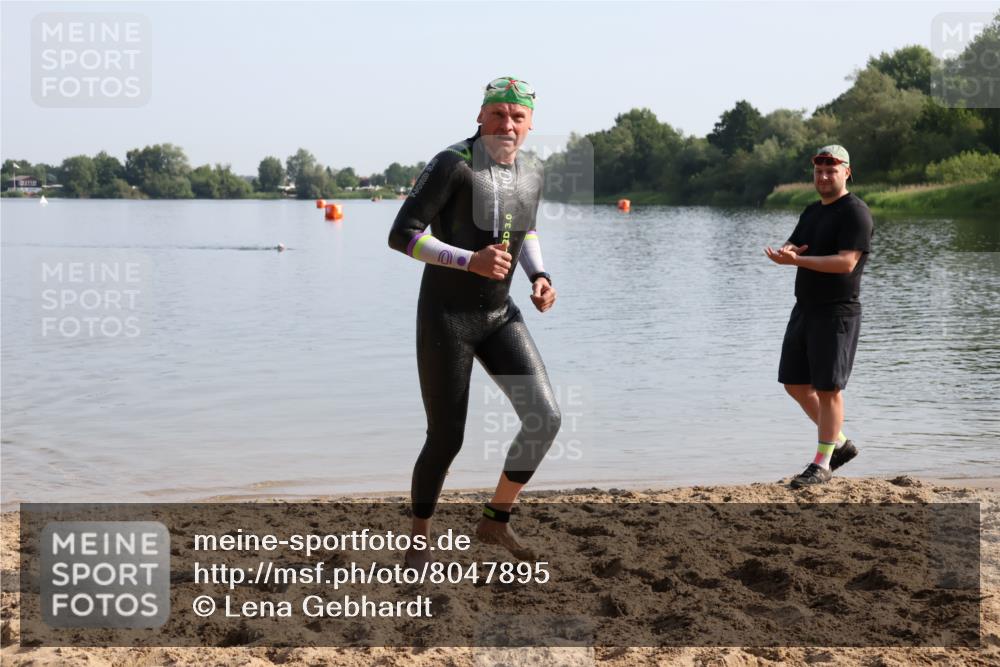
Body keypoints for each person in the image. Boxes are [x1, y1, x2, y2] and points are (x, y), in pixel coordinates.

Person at [388, 77, 560, 566]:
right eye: (498, 114)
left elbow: (524, 230)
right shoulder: (452, 164)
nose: (507, 124)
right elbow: (401, 235)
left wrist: (540, 275)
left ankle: (495, 520)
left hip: (500, 314)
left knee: (544, 417)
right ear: (480, 117)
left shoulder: (530, 173)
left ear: (529, 125)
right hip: (447, 317)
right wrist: (469, 260)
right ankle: (418, 542)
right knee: (446, 437)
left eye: (517, 117)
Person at [764, 145, 874, 488]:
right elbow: (797, 243)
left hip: (837, 311)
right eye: (819, 171)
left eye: (831, 170)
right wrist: (789, 250)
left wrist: (797, 262)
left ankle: (822, 462)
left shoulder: (855, 213)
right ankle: (839, 444)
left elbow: (846, 262)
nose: (824, 177)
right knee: (794, 383)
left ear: (847, 172)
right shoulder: (813, 211)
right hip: (805, 308)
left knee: (829, 389)